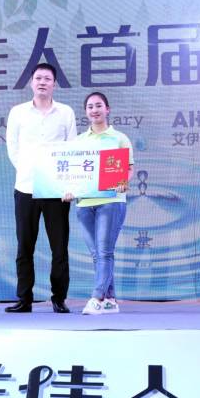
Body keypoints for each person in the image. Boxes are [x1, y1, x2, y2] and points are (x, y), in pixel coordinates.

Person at [5, 63, 77, 313]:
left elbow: (72, 149)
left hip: (56, 190)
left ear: (54, 84)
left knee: (59, 246)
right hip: (26, 187)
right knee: (25, 245)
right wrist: (31, 171)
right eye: (38, 78)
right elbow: (13, 148)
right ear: (31, 83)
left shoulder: (66, 112)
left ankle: (59, 298)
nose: (42, 82)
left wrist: (64, 183)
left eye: (47, 78)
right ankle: (24, 299)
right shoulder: (18, 112)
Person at [63, 92, 134, 315]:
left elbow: (128, 168)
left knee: (104, 252)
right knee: (97, 254)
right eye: (90, 107)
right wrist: (68, 190)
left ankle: (96, 298)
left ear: (107, 109)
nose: (94, 110)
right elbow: (72, 172)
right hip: (84, 204)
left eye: (99, 106)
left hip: (110, 201)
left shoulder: (119, 138)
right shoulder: (79, 142)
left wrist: (123, 181)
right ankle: (110, 300)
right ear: (86, 112)